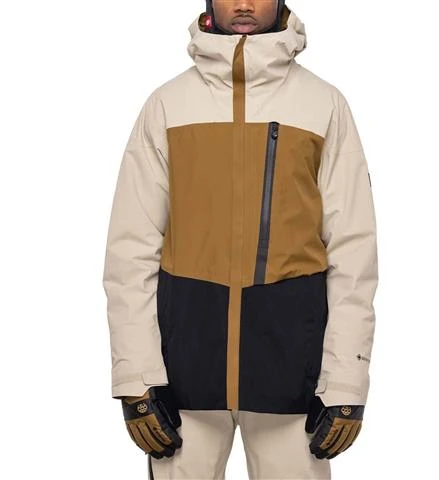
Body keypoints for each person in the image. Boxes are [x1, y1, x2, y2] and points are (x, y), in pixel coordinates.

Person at [102, 1, 379, 478]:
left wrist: (346, 381)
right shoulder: (167, 105)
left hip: (293, 373)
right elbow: (131, 250)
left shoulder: (323, 104)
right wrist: (137, 376)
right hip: (182, 374)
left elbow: (353, 251)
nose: (245, 4)